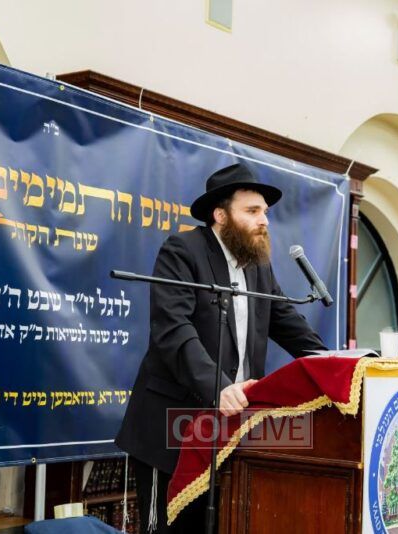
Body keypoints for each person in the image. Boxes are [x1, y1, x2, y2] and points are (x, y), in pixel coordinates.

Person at [115, 162, 327, 533]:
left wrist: (333, 364)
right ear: (220, 215)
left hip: (231, 431)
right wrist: (219, 387)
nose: (264, 221)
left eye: (265, 212)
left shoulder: (258, 266)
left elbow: (288, 323)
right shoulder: (183, 251)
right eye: (252, 211)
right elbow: (174, 330)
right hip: (173, 428)